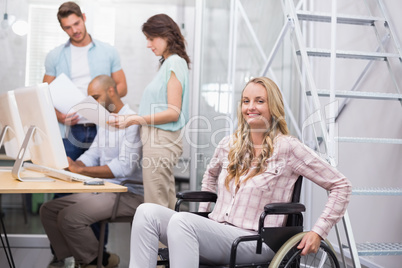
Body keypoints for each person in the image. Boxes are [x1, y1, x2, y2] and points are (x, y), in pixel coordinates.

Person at [128, 77, 352, 267]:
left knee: (182, 221)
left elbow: (341, 185)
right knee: (146, 212)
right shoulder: (230, 143)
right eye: (246, 101)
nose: (250, 107)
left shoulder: (288, 147)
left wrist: (319, 231)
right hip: (218, 231)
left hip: (255, 241)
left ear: (273, 107)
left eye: (259, 101)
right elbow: (210, 175)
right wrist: (203, 213)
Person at [40, 75, 143, 268]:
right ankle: (93, 258)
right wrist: (74, 163)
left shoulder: (132, 122)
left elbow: (125, 167)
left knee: (70, 218)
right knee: (48, 210)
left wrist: (83, 170)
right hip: (106, 189)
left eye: (95, 97)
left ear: (111, 91)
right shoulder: (105, 120)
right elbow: (94, 152)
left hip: (127, 193)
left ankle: (91, 262)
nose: (92, 104)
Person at [108, 14, 190, 209]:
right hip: (157, 141)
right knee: (165, 205)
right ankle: (170, 241)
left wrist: (134, 120)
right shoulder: (167, 64)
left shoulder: (174, 62)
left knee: (156, 207)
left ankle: (161, 241)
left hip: (161, 142)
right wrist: (129, 118)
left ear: (166, 36)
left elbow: (173, 113)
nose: (148, 44)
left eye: (151, 38)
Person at [43, 1, 127, 161]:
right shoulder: (54, 56)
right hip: (69, 130)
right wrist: (58, 116)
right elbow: (43, 94)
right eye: (68, 27)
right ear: (62, 28)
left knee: (99, 177)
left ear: (84, 18)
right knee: (66, 175)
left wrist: (101, 101)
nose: (74, 30)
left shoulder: (108, 51)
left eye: (77, 23)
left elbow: (122, 87)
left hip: (102, 126)